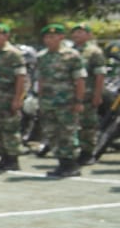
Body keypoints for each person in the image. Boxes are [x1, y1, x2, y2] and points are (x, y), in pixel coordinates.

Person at [36, 23, 86, 178]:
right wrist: (40, 98)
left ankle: (71, 165)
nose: (49, 40)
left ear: (61, 37)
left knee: (67, 133)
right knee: (52, 133)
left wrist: (79, 101)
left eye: (52, 36)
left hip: (67, 102)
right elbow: (41, 80)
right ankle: (61, 163)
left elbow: (80, 80)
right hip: (48, 102)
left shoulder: (72, 56)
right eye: (46, 37)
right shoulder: (42, 57)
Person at [0, 24, 28, 173]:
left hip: (8, 98)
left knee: (10, 129)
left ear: (6, 36)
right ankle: (3, 157)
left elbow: (20, 77)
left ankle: (13, 159)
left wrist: (18, 98)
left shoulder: (13, 53)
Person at [71, 23, 106, 165]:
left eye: (81, 32)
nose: (76, 35)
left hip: (88, 94)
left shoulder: (94, 52)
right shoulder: (70, 51)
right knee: (74, 125)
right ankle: (77, 151)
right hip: (71, 95)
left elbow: (100, 75)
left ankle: (88, 153)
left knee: (88, 125)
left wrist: (98, 94)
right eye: (75, 32)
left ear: (89, 35)